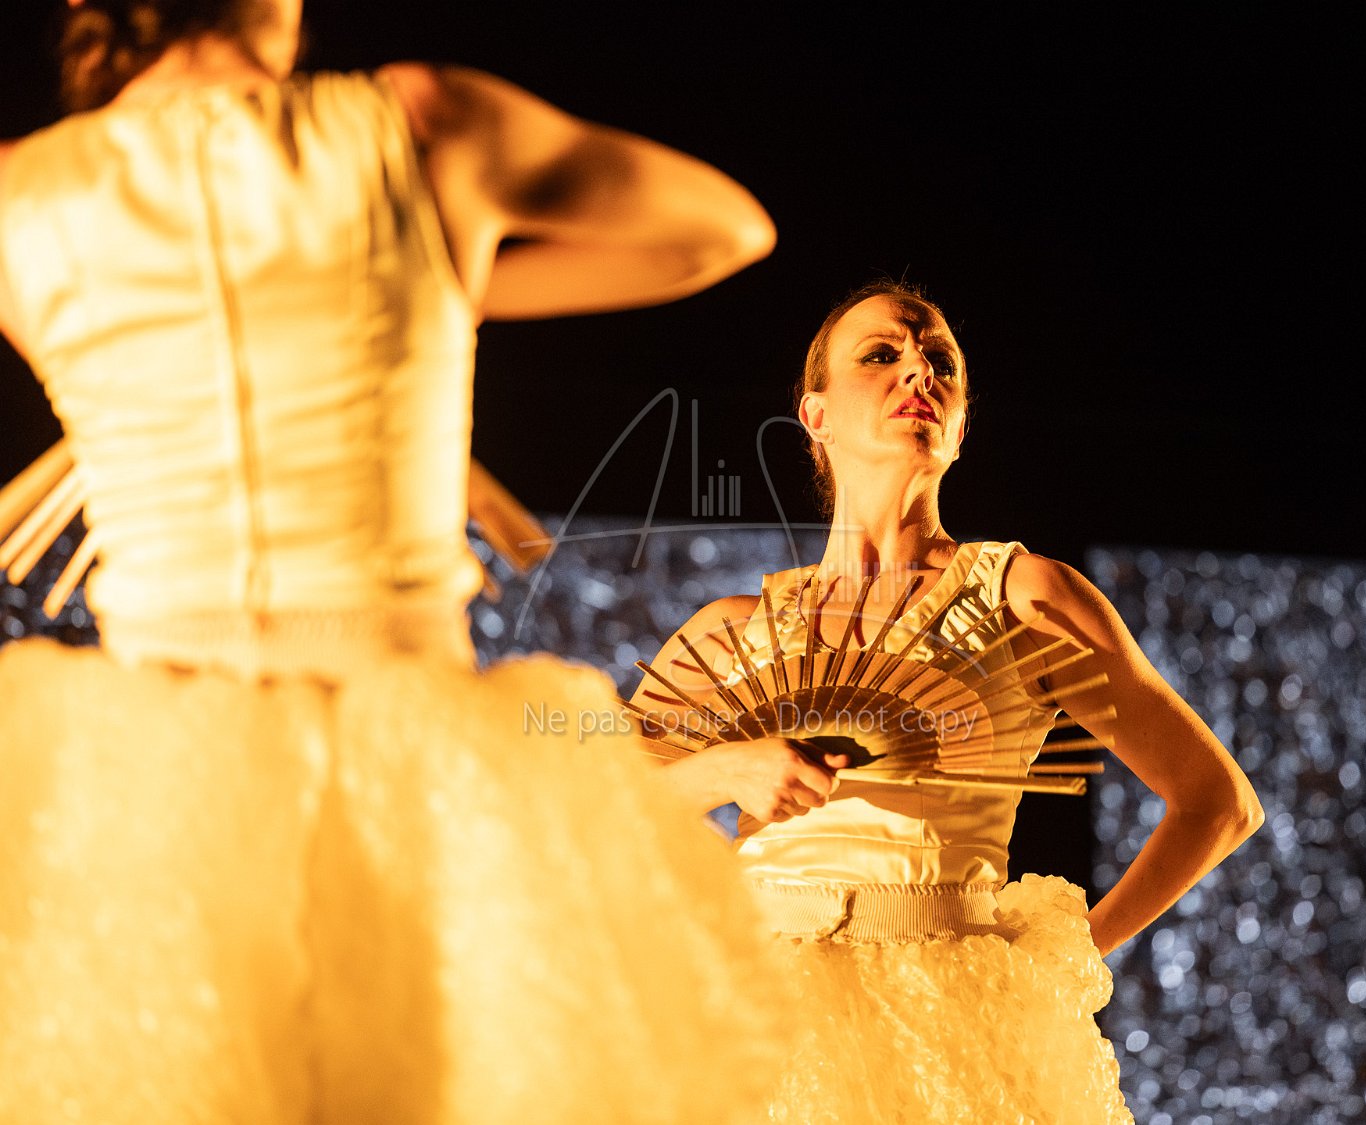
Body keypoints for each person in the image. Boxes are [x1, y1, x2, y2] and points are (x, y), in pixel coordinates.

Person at [0, 2, 786, 1121]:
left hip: (147, 782)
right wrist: (441, 289)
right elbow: (721, 231)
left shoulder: (22, 198)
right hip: (408, 755)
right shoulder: (423, 123)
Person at [630, 278, 1266, 1123]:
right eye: (881, 354)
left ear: (960, 428)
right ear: (815, 416)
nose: (918, 372)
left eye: (941, 363)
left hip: (946, 1030)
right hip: (750, 1021)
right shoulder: (731, 631)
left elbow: (1217, 801)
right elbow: (596, 811)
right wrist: (728, 768)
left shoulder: (1027, 598)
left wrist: (1057, 962)